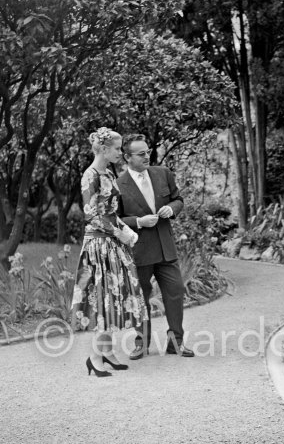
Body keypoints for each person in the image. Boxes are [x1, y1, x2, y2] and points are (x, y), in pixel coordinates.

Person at [71, 127, 148, 377]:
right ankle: (95, 358)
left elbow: (112, 212)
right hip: (98, 246)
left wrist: (125, 229)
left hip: (114, 244)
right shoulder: (90, 175)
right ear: (104, 149)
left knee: (114, 298)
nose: (120, 152)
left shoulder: (110, 174)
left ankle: (107, 352)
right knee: (104, 299)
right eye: (117, 148)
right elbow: (91, 214)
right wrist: (120, 233)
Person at [117, 133, 194, 359]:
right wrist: (139, 222)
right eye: (141, 154)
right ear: (127, 157)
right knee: (140, 298)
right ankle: (141, 343)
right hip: (138, 252)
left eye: (148, 151)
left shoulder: (163, 174)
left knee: (176, 291)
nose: (146, 156)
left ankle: (175, 342)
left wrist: (172, 209)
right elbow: (115, 219)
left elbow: (178, 199)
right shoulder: (118, 184)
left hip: (165, 249)